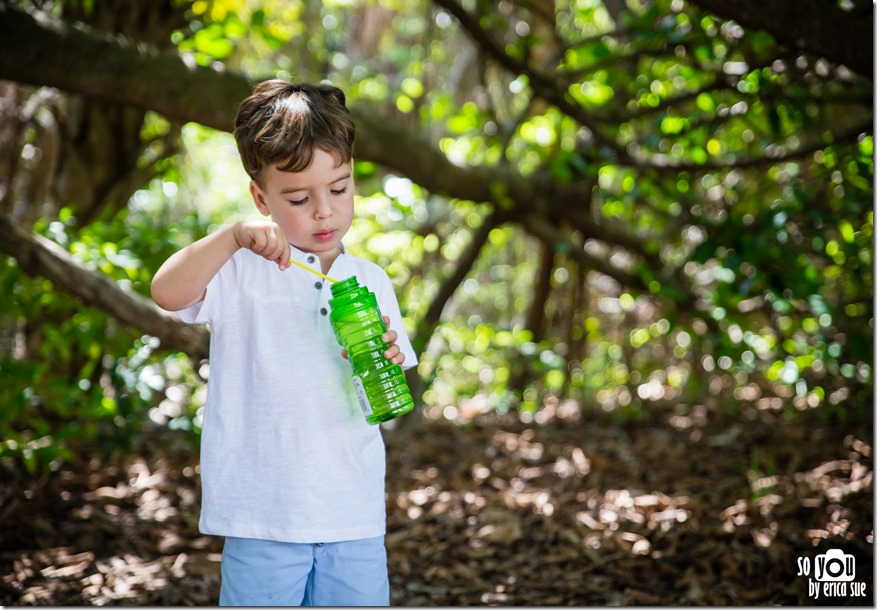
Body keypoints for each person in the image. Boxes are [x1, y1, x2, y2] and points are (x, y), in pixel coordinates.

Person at [150, 80, 417, 606]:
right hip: (263, 512)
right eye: (298, 198)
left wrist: (384, 363)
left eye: (339, 189)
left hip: (351, 510)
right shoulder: (239, 269)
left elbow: (384, 403)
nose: (324, 211)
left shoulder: (371, 279)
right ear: (261, 198)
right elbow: (166, 292)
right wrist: (230, 237)